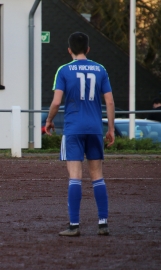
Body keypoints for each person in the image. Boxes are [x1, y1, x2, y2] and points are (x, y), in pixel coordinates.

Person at [45, 32, 115, 237]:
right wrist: (110, 129)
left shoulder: (64, 70)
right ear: (88, 49)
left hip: (73, 129)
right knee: (98, 177)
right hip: (94, 128)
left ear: (69, 50)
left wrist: (49, 120)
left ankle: (74, 225)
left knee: (75, 176)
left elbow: (57, 101)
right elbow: (109, 102)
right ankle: (103, 223)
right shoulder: (100, 69)